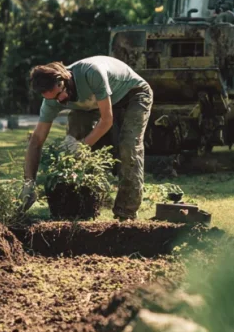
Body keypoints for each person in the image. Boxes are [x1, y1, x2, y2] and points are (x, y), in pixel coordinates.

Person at [20, 56, 152, 221]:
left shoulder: (91, 73)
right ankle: (84, 205)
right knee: (76, 130)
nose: (60, 100)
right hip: (96, 103)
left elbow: (107, 120)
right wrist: (29, 182)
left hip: (132, 94)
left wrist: (82, 146)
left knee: (128, 146)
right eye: (53, 98)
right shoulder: (52, 100)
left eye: (60, 94)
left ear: (64, 79)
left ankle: (126, 212)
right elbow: (37, 140)